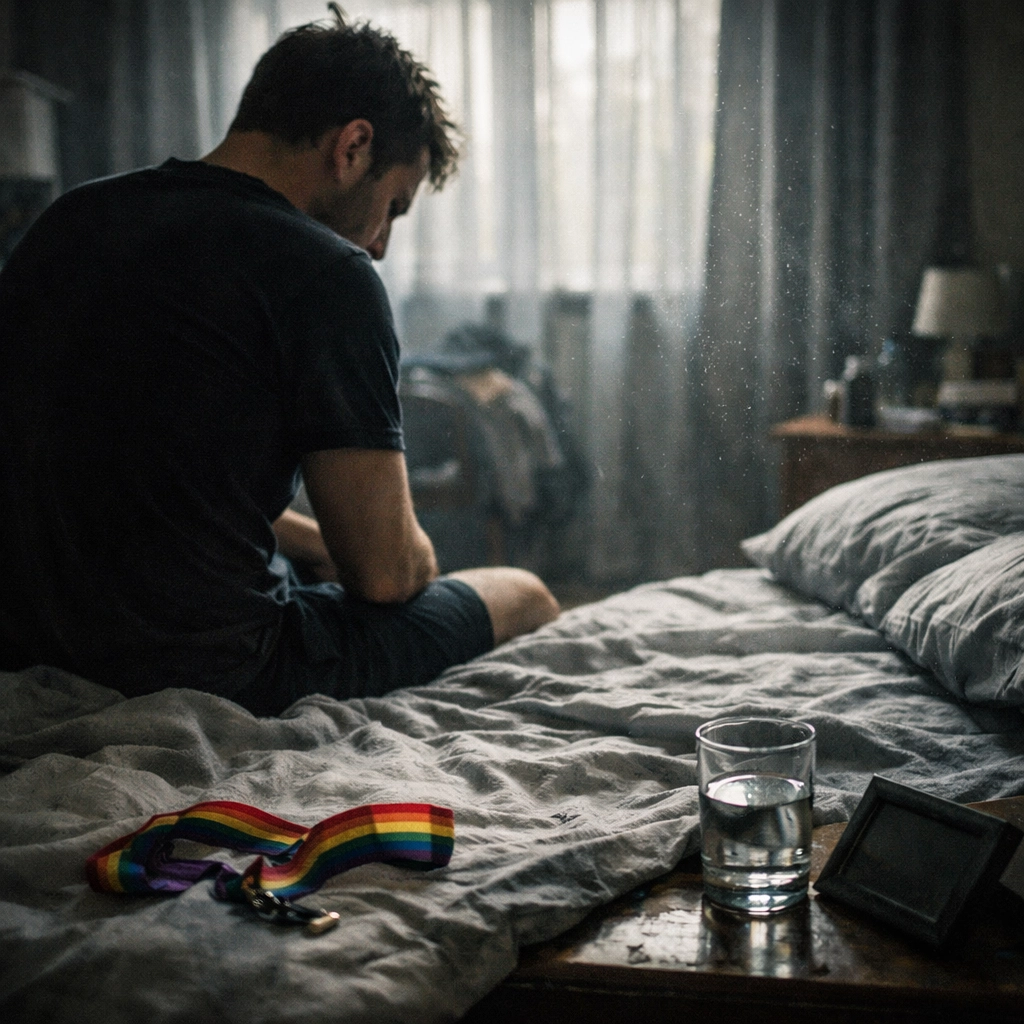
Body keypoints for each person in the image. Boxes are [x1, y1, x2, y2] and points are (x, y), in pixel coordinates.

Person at [0, 10, 559, 716]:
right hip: (213, 666)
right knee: (525, 593)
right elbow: (385, 577)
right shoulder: (329, 274)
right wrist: (411, 555)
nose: (382, 244)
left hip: (28, 641)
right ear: (353, 146)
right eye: (394, 207)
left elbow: (130, 470)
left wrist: (306, 537)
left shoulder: (70, 220)